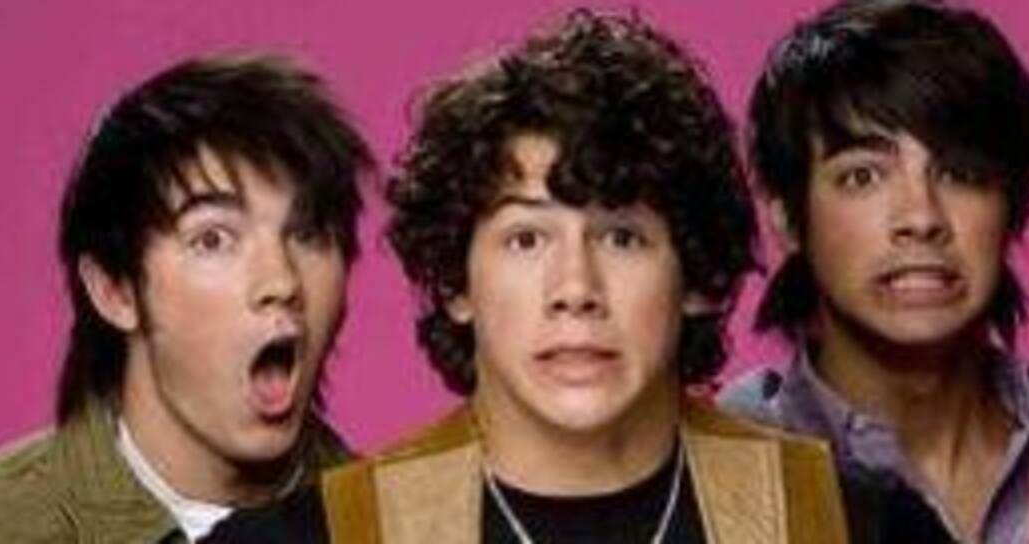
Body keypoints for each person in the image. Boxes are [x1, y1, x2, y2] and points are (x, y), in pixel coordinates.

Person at [205, 8, 847, 544]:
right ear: (457, 284)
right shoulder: (310, 536)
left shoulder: (845, 522)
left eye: (622, 237)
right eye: (527, 239)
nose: (575, 289)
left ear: (697, 278)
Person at [719, 1, 1029, 542]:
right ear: (786, 217)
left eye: (961, 173)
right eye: (863, 176)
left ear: (1015, 206)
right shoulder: (713, 486)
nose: (921, 218)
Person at [0, 54, 373, 542]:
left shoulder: (399, 523)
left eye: (309, 232)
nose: (281, 281)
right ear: (114, 290)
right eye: (213, 239)